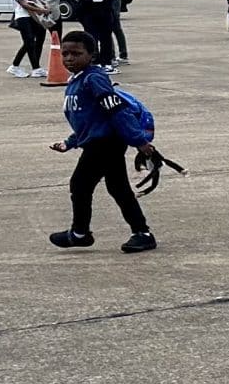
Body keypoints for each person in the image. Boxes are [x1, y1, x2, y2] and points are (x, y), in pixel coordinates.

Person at [46, 28, 157, 252]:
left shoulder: (94, 78)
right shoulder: (77, 81)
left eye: (76, 54)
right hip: (100, 141)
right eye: (65, 54)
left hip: (105, 143)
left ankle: (80, 233)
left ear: (91, 55)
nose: (69, 58)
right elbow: (89, 121)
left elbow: (115, 110)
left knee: (80, 184)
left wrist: (139, 141)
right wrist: (70, 142)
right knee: (118, 188)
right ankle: (141, 232)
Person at [7, 0, 50, 78]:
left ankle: (31, 67)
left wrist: (43, 3)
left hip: (31, 17)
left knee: (34, 40)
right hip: (22, 18)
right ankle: (28, 67)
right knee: (29, 42)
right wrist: (41, 10)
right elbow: (24, 4)